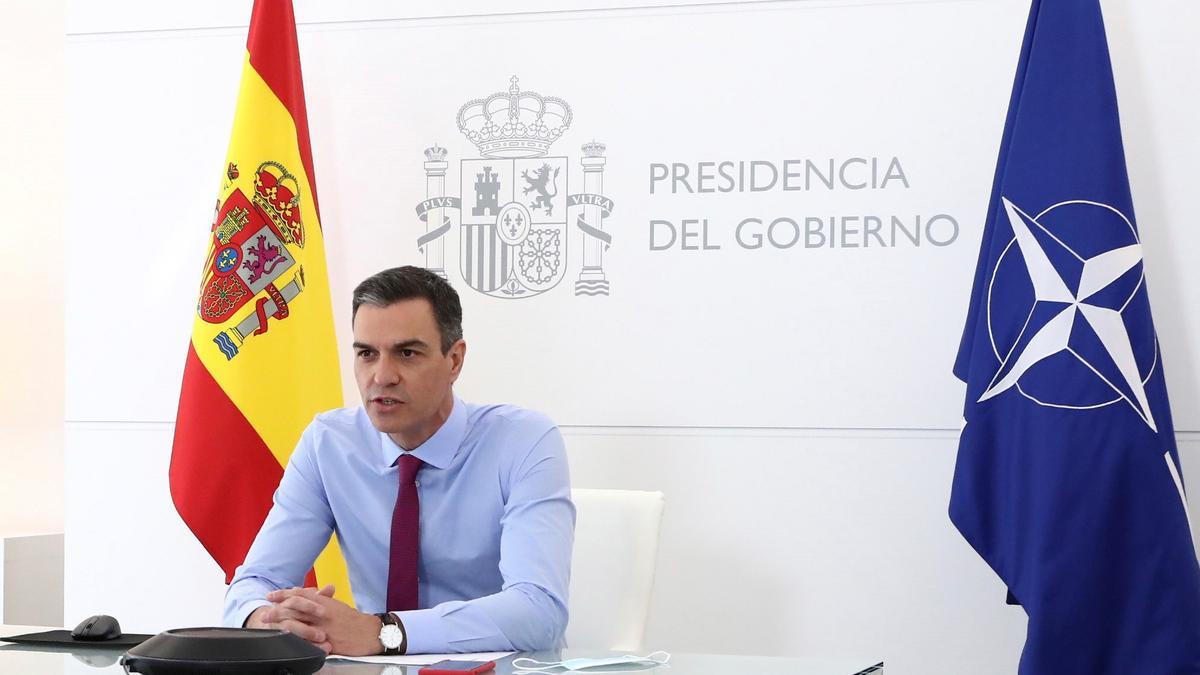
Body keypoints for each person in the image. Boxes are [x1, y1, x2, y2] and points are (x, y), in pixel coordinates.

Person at [222, 266, 575, 656]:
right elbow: (253, 583)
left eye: (407, 353)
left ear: (454, 360)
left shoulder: (523, 441)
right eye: (366, 354)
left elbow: (539, 611)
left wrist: (384, 632)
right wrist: (268, 619)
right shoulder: (329, 443)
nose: (382, 376)